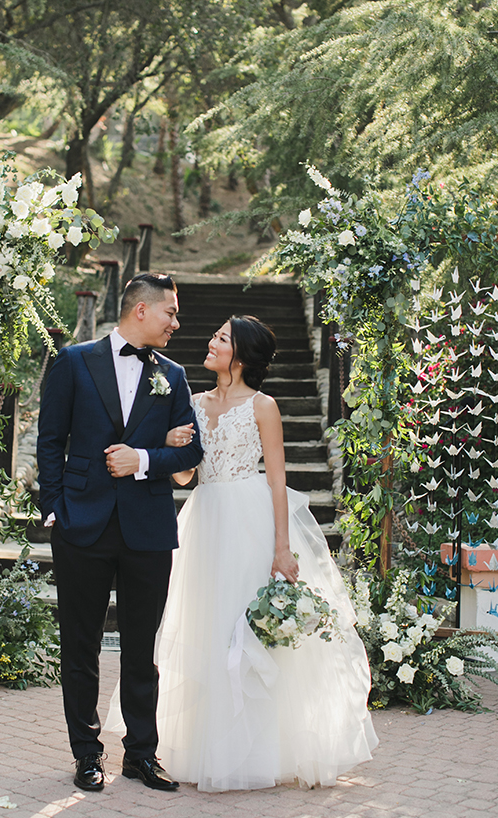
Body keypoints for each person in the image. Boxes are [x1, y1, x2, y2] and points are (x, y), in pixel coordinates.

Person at [142, 314, 378, 791]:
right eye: (215, 334)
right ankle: (209, 746)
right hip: (204, 522)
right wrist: (169, 448)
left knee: (250, 632)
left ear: (242, 355)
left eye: (221, 338)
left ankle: (263, 750)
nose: (211, 341)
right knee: (207, 629)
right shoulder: (191, 401)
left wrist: (282, 547)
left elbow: (276, 479)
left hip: (249, 523)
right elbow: (187, 476)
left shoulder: (263, 406)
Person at [37, 273, 203, 793]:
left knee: (141, 650)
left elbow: (191, 453)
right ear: (141, 311)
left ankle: (141, 755)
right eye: (171, 313)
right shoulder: (73, 361)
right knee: (80, 646)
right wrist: (54, 510)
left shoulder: (173, 376)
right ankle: (87, 755)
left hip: (148, 528)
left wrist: (143, 460)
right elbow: (50, 440)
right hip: (80, 525)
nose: (177, 323)